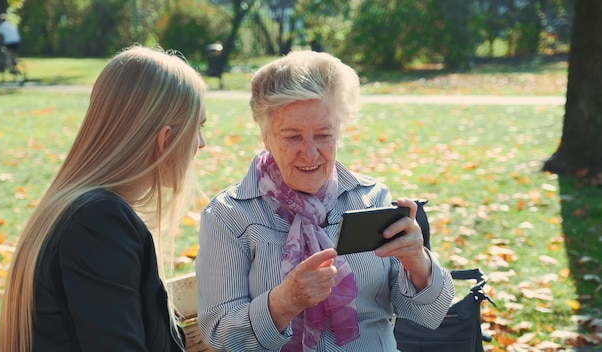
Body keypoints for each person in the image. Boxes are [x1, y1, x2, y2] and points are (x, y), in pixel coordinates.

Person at [195, 50, 455, 351]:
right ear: (265, 137)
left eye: (323, 135)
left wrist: (418, 263)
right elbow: (220, 334)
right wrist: (286, 300)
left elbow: (431, 314)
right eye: (292, 137)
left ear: (339, 133)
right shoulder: (229, 215)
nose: (310, 152)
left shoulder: (370, 198)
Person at [0, 45, 207, 352]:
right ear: (165, 140)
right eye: (197, 129)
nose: (202, 144)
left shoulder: (78, 209)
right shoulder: (99, 223)